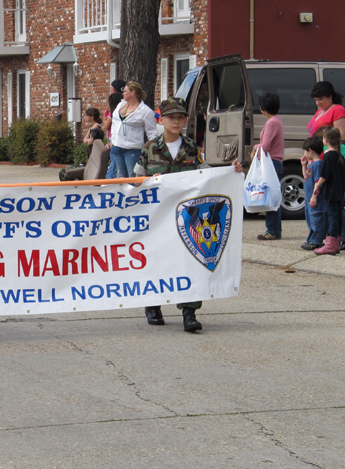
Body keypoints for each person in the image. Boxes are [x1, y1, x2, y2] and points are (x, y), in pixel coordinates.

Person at [133, 98, 242, 333]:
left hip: (186, 217)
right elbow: (136, 181)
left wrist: (230, 172)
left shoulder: (192, 147)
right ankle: (152, 305)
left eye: (180, 117)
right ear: (161, 120)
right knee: (156, 261)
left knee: (189, 262)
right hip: (156, 218)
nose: (176, 121)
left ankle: (189, 313)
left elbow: (205, 173)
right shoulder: (150, 148)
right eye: (171, 117)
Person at [251, 92, 285, 241]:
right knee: (273, 196)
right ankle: (274, 228)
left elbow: (265, 146)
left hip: (272, 162)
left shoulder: (271, 122)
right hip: (276, 162)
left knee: (270, 197)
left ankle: (273, 230)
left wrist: (254, 148)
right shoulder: (278, 120)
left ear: (263, 108)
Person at [109, 81, 158, 178]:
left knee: (133, 176)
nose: (122, 93)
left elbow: (152, 133)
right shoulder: (120, 105)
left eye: (125, 91)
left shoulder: (145, 111)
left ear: (133, 92)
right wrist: (111, 140)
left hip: (132, 149)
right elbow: (114, 122)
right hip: (117, 146)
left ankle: (135, 193)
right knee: (122, 177)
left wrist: (151, 150)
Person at [309, 127, 345, 255]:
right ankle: (336, 241)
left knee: (332, 217)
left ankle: (330, 243)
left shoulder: (328, 155)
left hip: (331, 191)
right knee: (337, 216)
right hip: (339, 191)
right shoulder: (340, 155)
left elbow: (325, 174)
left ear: (326, 139)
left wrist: (317, 186)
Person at [301, 135, 327, 251]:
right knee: (311, 219)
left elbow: (317, 182)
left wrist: (314, 196)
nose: (304, 154)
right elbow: (306, 177)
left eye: (305, 151)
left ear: (310, 151)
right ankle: (312, 239)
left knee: (317, 219)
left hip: (314, 198)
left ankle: (316, 241)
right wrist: (304, 166)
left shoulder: (318, 165)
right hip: (308, 197)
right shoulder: (312, 164)